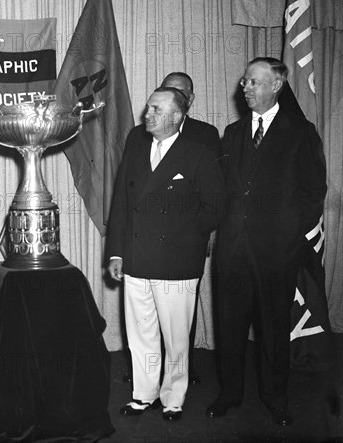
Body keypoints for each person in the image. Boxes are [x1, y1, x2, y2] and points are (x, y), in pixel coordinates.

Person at [207, 57, 327, 426]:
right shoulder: (234, 132)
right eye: (244, 82)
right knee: (228, 326)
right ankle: (229, 393)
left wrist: (287, 238)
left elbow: (313, 194)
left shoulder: (301, 132)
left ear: (277, 85)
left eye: (254, 82)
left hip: (277, 254)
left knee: (274, 329)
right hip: (232, 253)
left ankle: (275, 398)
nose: (245, 87)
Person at [106, 87, 225, 421]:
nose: (148, 114)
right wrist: (116, 252)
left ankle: (173, 396)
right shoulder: (136, 147)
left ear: (177, 116)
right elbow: (121, 205)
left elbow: (215, 206)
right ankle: (143, 394)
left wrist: (181, 234)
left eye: (157, 109)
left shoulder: (198, 152)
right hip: (136, 257)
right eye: (148, 108)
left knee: (175, 338)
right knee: (140, 334)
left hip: (177, 261)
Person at [160, 72, 221, 386]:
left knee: (184, 302)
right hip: (153, 236)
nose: (174, 96)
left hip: (190, 236)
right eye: (169, 90)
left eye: (180, 92)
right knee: (151, 304)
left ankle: (183, 367)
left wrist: (208, 230)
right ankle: (150, 368)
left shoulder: (206, 134)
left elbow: (215, 190)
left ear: (191, 99)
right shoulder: (146, 130)